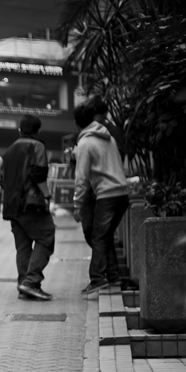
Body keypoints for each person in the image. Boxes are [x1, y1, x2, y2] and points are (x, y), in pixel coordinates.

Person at [73, 101, 130, 296]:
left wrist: (76, 205)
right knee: (104, 237)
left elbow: (81, 178)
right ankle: (114, 276)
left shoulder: (85, 143)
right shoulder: (109, 138)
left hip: (107, 195)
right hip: (122, 194)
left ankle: (97, 278)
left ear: (77, 123)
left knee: (98, 237)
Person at [1, 115, 55, 301]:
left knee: (23, 246)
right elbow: (38, 174)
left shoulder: (9, 151)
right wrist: (47, 195)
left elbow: (2, 181)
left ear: (20, 130)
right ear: (37, 131)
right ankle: (31, 282)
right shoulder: (37, 146)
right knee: (46, 236)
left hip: (11, 206)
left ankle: (24, 283)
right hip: (31, 204)